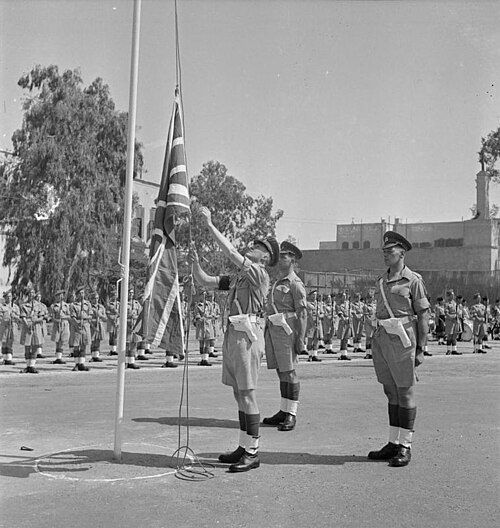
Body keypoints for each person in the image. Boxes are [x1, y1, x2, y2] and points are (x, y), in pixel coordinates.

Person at [189, 205, 279, 473]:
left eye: (258, 246)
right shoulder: (241, 276)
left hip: (247, 338)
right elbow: (205, 282)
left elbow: (229, 251)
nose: (252, 245)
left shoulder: (258, 274)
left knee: (248, 394)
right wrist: (195, 262)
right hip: (234, 336)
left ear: (265, 257)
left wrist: (209, 223)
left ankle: (252, 452)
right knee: (238, 393)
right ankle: (244, 445)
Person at [368, 231, 430, 467]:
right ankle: (393, 442)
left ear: (402, 253)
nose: (385, 255)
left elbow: (423, 315)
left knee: (404, 392)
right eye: (384, 251)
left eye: (390, 251)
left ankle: (405, 445)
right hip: (383, 339)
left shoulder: (413, 280)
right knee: (390, 391)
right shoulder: (381, 281)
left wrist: (421, 348)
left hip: (403, 340)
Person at [262, 241, 308, 432]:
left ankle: (292, 413)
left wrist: (300, 339)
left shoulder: (295, 284)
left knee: (289, 372)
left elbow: (303, 313)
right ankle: (283, 410)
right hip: (274, 329)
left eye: (284, 256)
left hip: (287, 331)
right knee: (281, 371)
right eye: (279, 255)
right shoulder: (277, 282)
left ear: (293, 259)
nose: (280, 259)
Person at [19, 287, 45, 373]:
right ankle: (27, 365)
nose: (31, 295)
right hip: (27, 327)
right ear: (27, 295)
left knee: (35, 346)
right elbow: (23, 317)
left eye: (33, 293)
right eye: (30, 293)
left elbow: (41, 317)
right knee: (27, 346)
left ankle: (32, 365)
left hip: (36, 326)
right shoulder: (24, 306)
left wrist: (35, 321)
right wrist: (27, 324)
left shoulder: (39, 305)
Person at [70, 286, 92, 371]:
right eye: (80, 293)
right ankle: (76, 363)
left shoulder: (87, 304)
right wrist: (77, 323)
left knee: (83, 345)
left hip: (85, 326)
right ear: (77, 295)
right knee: (76, 346)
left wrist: (85, 317)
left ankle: (82, 363)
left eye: (83, 293)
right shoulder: (73, 305)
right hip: (77, 327)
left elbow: (90, 315)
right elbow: (72, 317)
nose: (82, 295)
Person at [193, 291, 217, 366]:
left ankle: (205, 359)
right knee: (201, 342)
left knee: (207, 342)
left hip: (208, 325)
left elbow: (213, 313)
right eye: (201, 295)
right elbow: (196, 315)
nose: (203, 297)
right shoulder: (197, 305)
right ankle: (202, 358)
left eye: (204, 295)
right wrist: (200, 318)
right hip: (201, 326)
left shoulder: (209, 305)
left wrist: (209, 316)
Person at [50, 289, 71, 364]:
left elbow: (69, 316)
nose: (60, 297)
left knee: (63, 340)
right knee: (57, 340)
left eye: (61, 295)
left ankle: (60, 357)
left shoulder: (66, 305)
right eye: (58, 295)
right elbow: (52, 317)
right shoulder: (53, 306)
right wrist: (56, 319)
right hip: (57, 324)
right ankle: (57, 357)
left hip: (64, 323)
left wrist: (64, 317)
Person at [0, 291, 20, 365]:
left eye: (10, 296)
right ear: (4, 297)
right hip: (4, 326)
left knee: (10, 342)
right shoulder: (1, 306)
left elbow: (19, 318)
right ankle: (3, 358)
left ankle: (9, 358)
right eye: (7, 296)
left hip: (13, 326)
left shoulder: (15, 307)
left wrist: (14, 316)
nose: (9, 298)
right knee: (4, 342)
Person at [126, 286, 142, 369]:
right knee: (126, 343)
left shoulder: (136, 303)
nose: (130, 294)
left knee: (134, 343)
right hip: (127, 325)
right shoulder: (124, 303)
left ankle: (131, 362)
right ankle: (125, 361)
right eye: (129, 293)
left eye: (132, 293)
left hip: (135, 325)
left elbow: (140, 314)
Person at [305, 290, 323, 362]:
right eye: (313, 295)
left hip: (318, 324)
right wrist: (313, 322)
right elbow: (309, 314)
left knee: (316, 340)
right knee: (310, 340)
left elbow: (322, 313)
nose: (314, 296)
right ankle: (310, 355)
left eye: (315, 295)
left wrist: (320, 316)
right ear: (310, 296)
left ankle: (315, 355)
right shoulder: (308, 304)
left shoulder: (318, 304)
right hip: (310, 325)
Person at [90, 291, 107, 362]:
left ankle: (97, 355)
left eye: (97, 298)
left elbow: (105, 318)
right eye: (94, 298)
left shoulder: (101, 307)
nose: (96, 300)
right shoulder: (89, 307)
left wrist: (100, 315)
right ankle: (93, 356)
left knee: (98, 340)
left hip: (99, 325)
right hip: (92, 325)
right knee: (93, 341)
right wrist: (92, 326)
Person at [444, 289, 461, 355]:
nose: (453, 296)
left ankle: (454, 349)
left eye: (453, 295)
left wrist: (457, 316)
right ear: (449, 296)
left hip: (456, 320)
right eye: (452, 295)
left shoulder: (456, 303)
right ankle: (448, 350)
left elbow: (459, 311)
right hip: (450, 321)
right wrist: (452, 317)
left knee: (455, 335)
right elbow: (446, 313)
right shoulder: (447, 304)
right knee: (450, 335)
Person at [336, 290, 352, 360]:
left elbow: (350, 312)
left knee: (346, 338)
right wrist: (344, 319)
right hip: (343, 323)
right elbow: (340, 314)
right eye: (343, 296)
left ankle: (345, 353)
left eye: (345, 296)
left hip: (348, 322)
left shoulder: (347, 305)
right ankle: (342, 354)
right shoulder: (338, 305)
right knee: (343, 338)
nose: (345, 298)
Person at [363, 288, 377, 359]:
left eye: (371, 297)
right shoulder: (365, 306)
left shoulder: (375, 305)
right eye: (369, 298)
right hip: (369, 323)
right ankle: (368, 353)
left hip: (374, 323)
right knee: (368, 338)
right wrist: (371, 322)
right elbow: (366, 316)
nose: (371, 299)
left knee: (374, 338)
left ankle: (372, 352)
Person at [106, 290, 120, 355]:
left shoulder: (118, 304)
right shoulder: (109, 304)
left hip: (117, 320)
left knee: (116, 335)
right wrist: (112, 320)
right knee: (111, 335)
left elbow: (120, 312)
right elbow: (108, 314)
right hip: (111, 322)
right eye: (114, 295)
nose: (115, 296)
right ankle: (111, 350)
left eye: (116, 295)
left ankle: (114, 349)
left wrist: (117, 317)